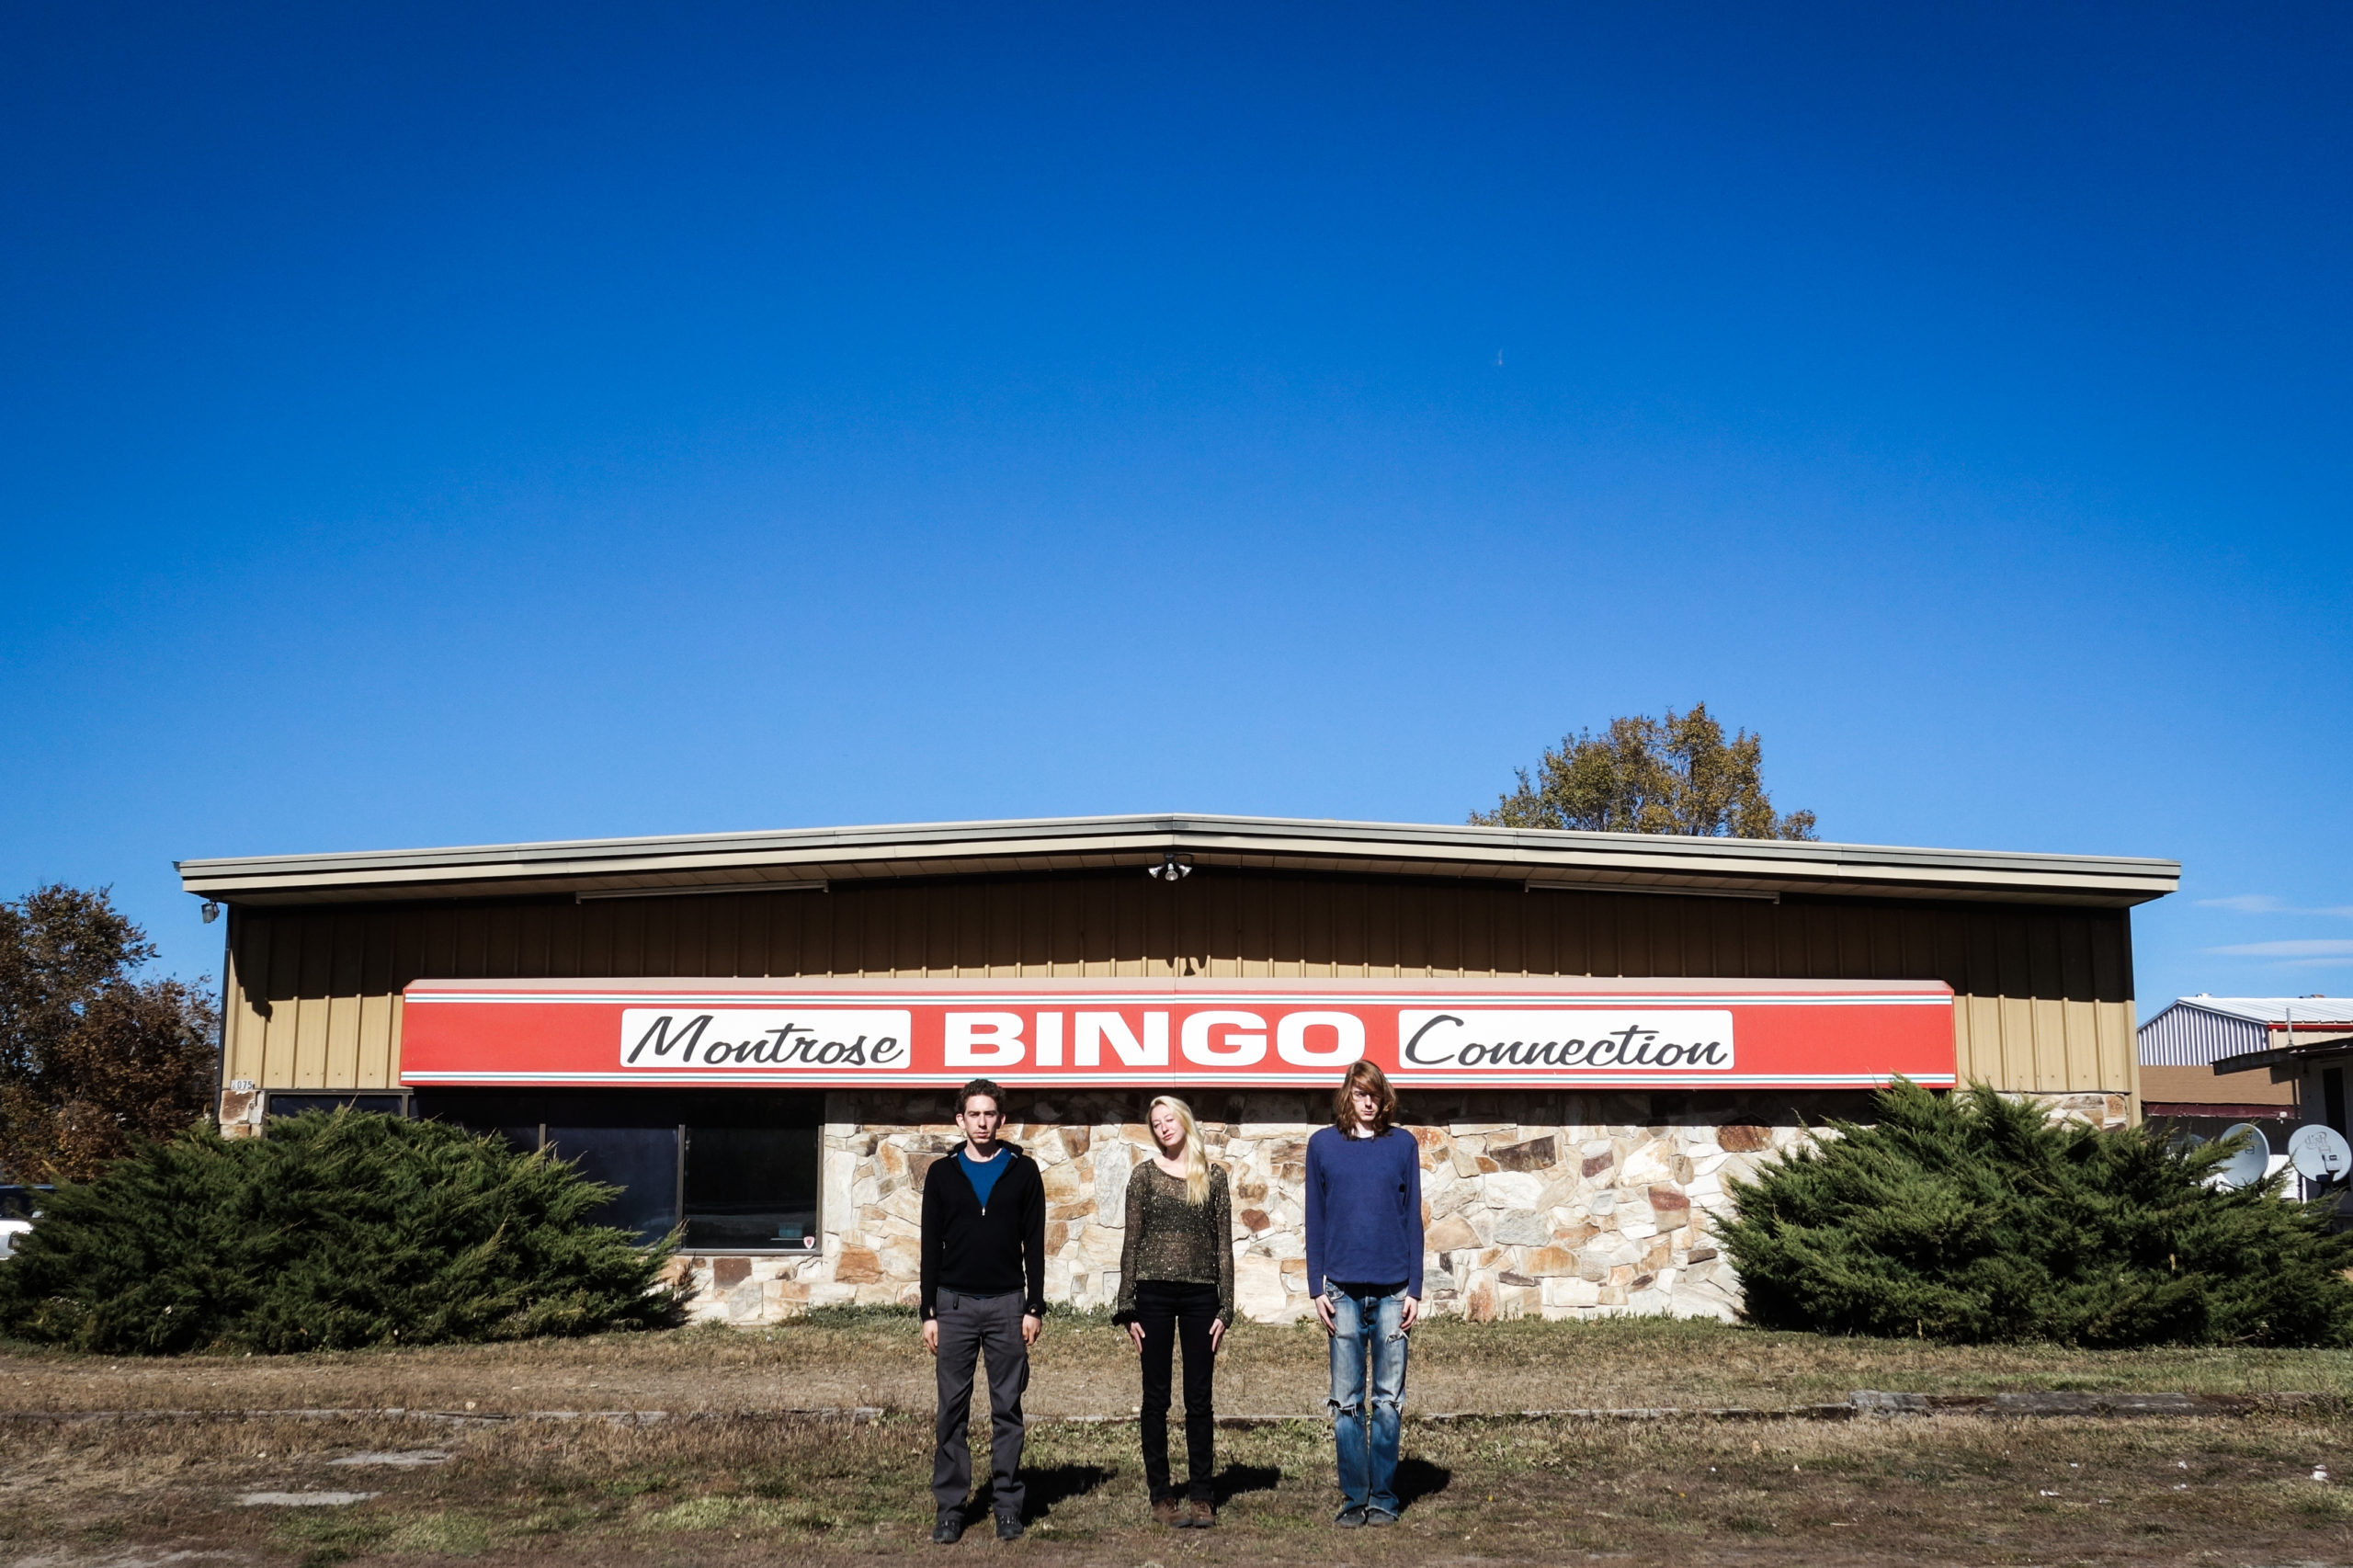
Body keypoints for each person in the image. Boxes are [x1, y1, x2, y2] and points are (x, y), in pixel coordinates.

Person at [920, 1078, 1046, 1544]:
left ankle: (1008, 1506)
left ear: (1001, 1119)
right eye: (973, 1114)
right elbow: (930, 1246)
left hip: (1008, 1306)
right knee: (951, 1411)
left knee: (1006, 1409)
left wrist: (1034, 1306)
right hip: (952, 1306)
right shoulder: (942, 1173)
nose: (982, 1121)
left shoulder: (1023, 1171)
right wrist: (928, 1311)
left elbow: (1034, 1243)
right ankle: (951, 1509)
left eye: (989, 1113)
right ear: (961, 1120)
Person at [1304, 1059, 1424, 1528]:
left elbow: (1412, 1215)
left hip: (1395, 1291)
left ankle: (1385, 1499)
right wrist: (1317, 1286)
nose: (1368, 1102)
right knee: (1346, 1402)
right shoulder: (1322, 1146)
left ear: (1385, 1096)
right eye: (1359, 1094)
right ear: (1346, 1097)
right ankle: (1355, 1498)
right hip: (1342, 1291)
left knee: (1389, 1401)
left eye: (1374, 1093)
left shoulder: (1403, 1146)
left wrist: (1415, 1286)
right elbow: (1314, 1218)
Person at [1113, 1095, 1235, 1529]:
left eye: (1169, 1119)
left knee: (1199, 1399)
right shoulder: (1142, 1177)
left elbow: (1224, 1245)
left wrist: (1227, 1306)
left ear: (1184, 1121)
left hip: (1203, 1297)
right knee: (1156, 1397)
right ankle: (1162, 1496)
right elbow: (1132, 1243)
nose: (1163, 1126)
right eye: (1156, 1123)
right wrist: (1127, 1305)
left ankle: (1202, 1494)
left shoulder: (1214, 1178)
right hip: (1153, 1297)